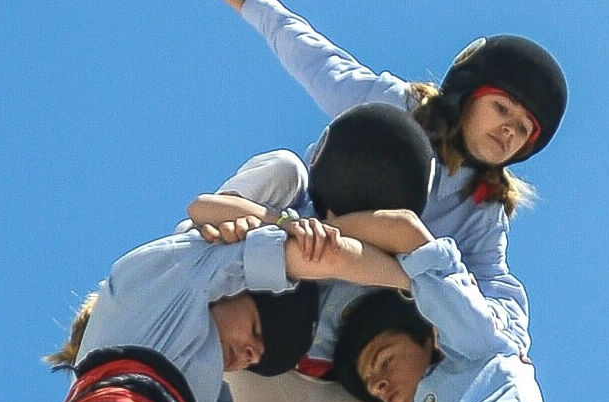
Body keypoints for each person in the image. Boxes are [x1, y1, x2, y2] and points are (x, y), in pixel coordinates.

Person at [32, 104, 432, 402]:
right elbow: (216, 221)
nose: (251, 354)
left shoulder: (199, 385)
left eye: (259, 353)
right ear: (234, 288)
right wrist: (430, 288)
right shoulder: (174, 273)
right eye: (259, 331)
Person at [219, 0, 568, 362]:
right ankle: (202, 254)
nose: (509, 129)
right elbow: (318, 61)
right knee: (284, 169)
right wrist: (253, 5)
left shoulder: (482, 210)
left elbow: (496, 286)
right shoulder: (399, 109)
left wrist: (510, 347)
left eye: (523, 129)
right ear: (468, 97)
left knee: (442, 313)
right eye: (501, 108)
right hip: (273, 265)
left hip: (331, 346)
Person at [334, 230, 562, 402]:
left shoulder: (474, 342)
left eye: (385, 361)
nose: (376, 386)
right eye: (370, 386)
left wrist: (327, 231)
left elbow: (408, 233)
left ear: (430, 337)